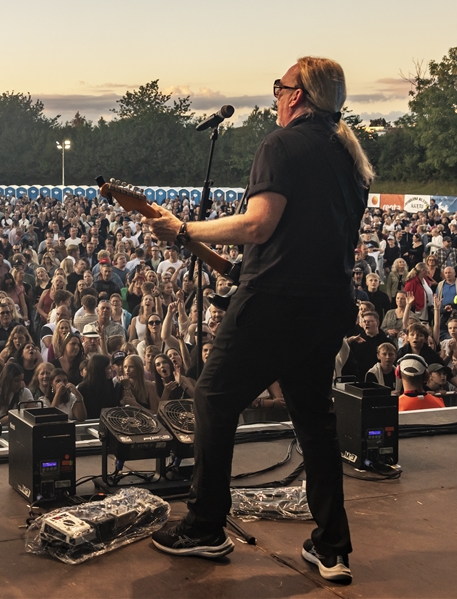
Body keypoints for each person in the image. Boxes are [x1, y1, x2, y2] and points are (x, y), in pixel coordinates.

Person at [147, 57, 367, 583]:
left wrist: (185, 230)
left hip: (275, 305)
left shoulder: (280, 145)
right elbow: (311, 236)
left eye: (279, 87)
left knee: (213, 398)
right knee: (315, 423)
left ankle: (204, 526)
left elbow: (260, 224)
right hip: (326, 306)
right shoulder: (350, 157)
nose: (274, 96)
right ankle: (332, 547)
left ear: (298, 95)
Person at [0, 363, 34, 428]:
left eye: (21, 380)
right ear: (7, 380)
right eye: (16, 381)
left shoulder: (25, 392)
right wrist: (12, 417)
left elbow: (32, 415)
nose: (20, 384)